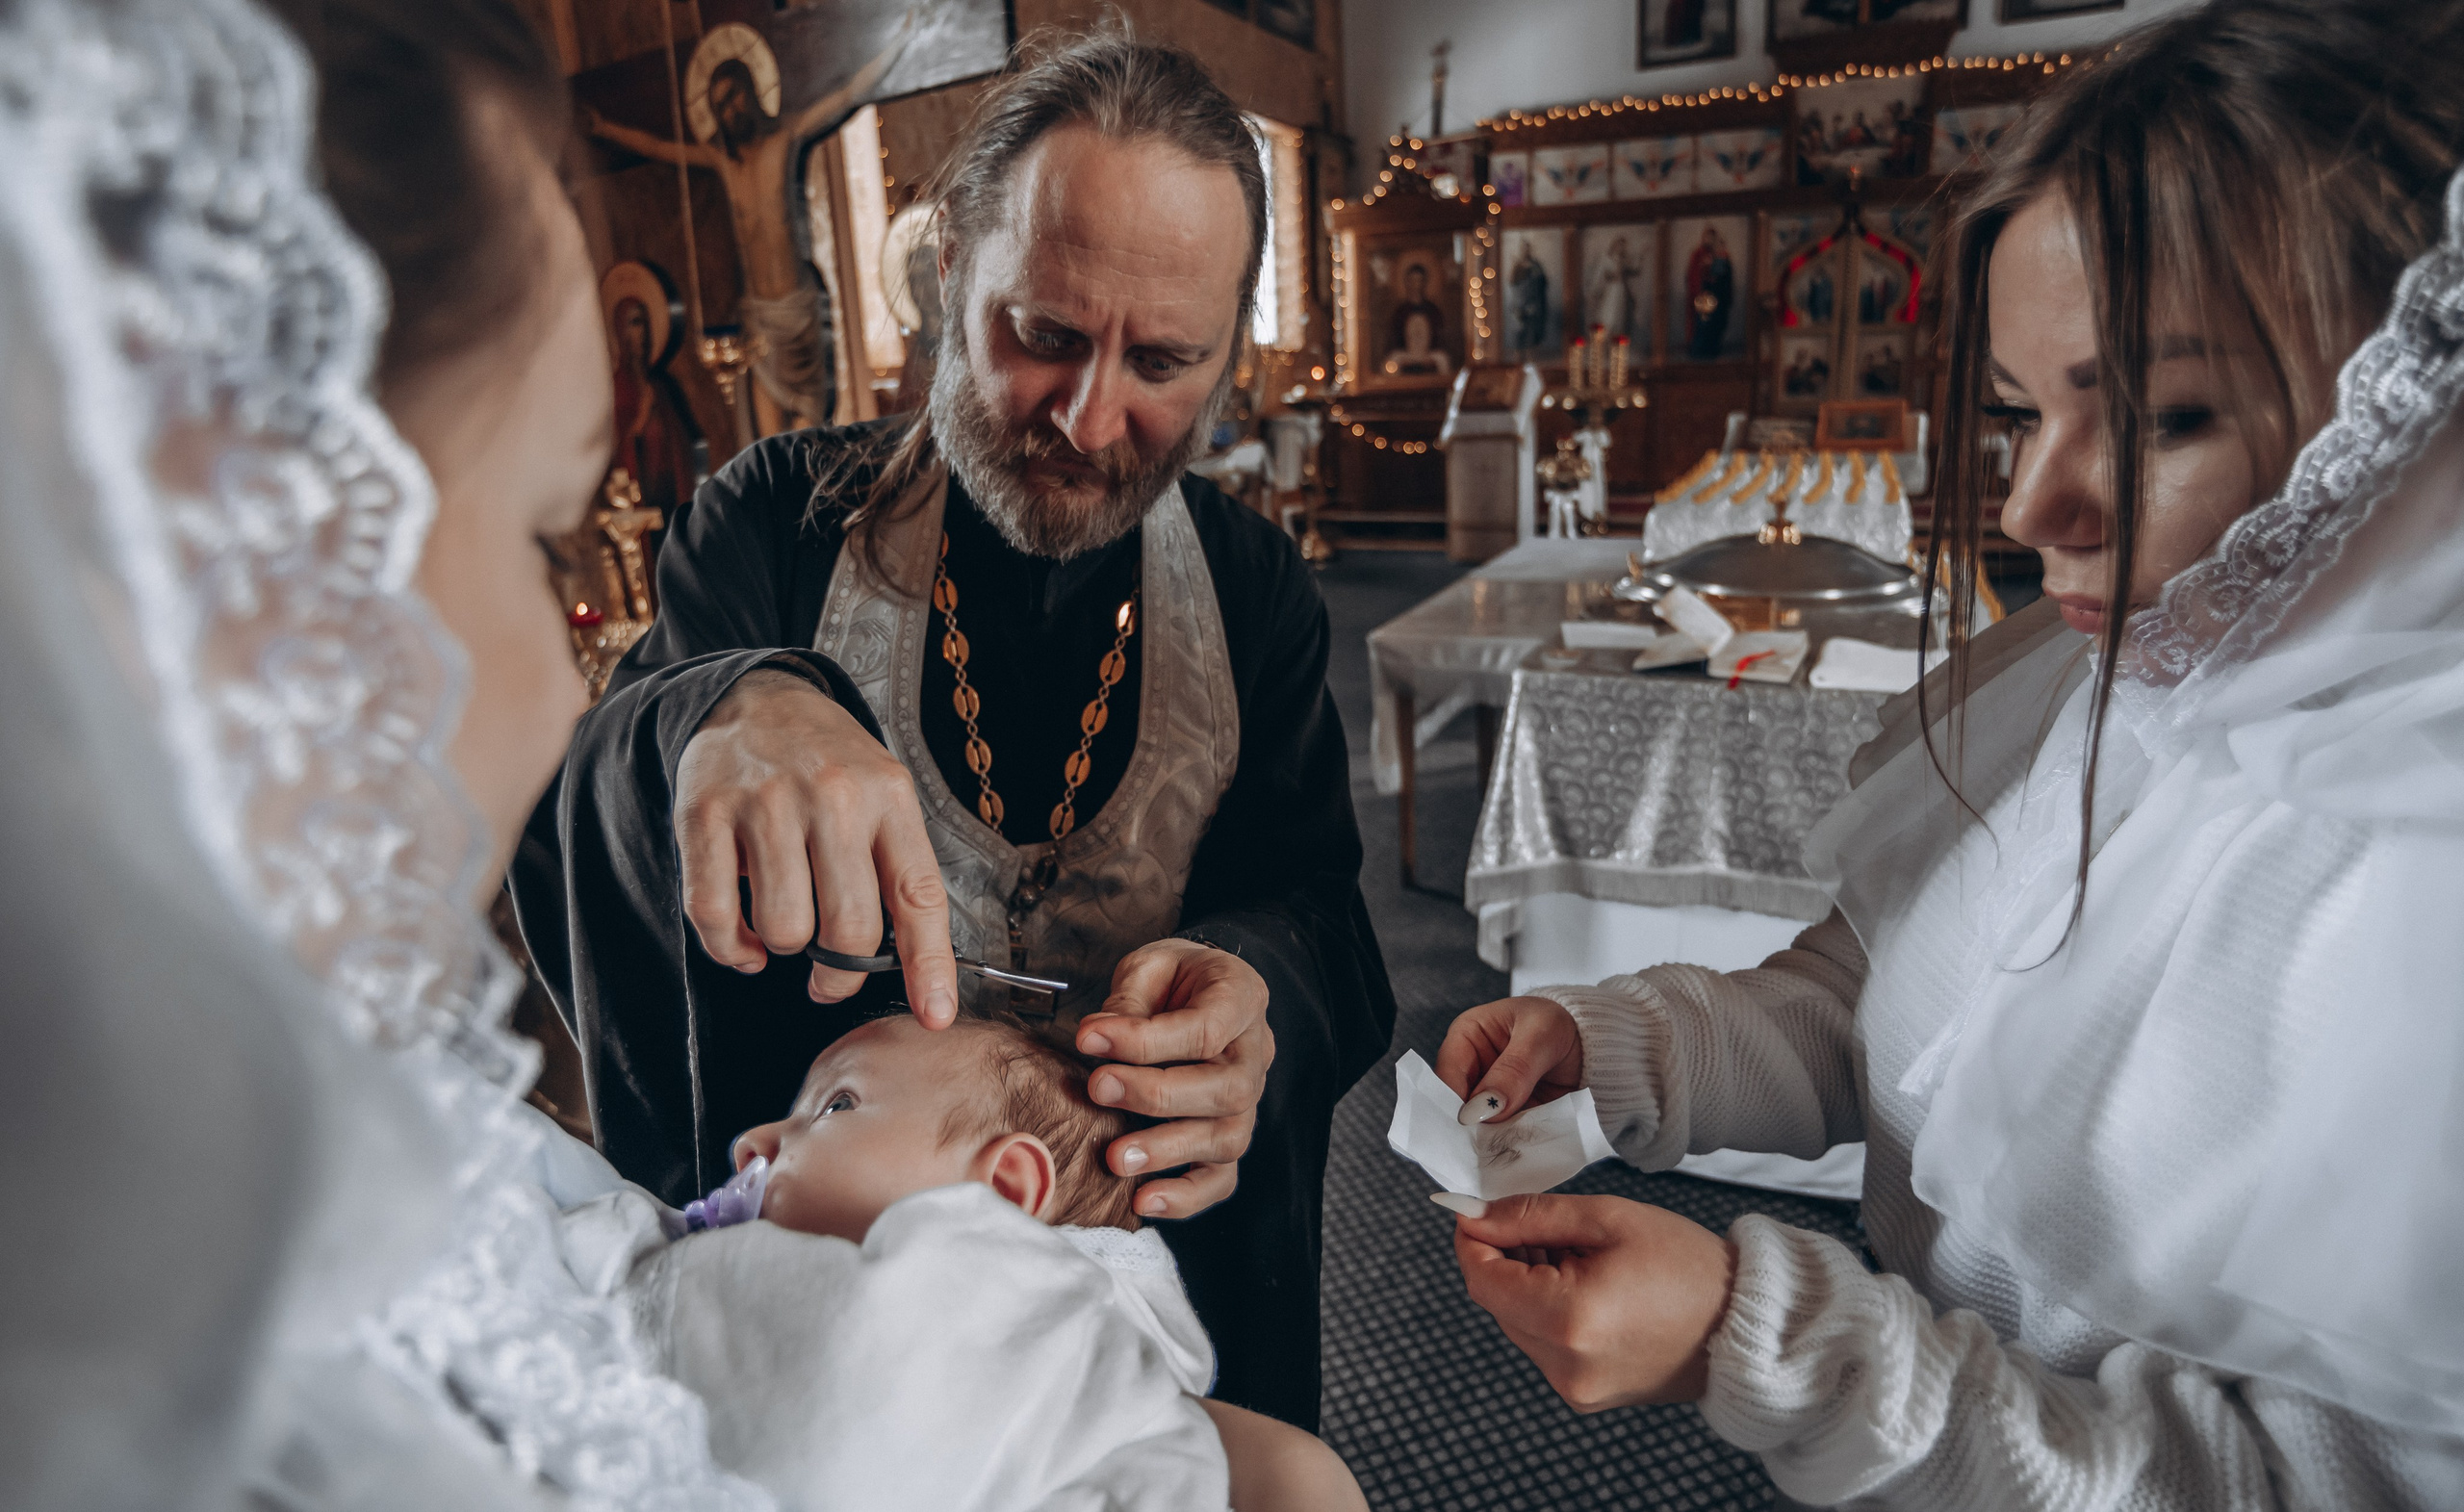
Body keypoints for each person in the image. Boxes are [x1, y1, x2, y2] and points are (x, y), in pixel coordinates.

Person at [1431, 3, 2464, 1506]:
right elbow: (1884, 1008)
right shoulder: (2105, 676)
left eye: (2163, 415)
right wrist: (1624, 1042)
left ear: (2417, 431)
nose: (2038, 507)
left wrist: (1774, 1335)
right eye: (2015, 415)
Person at [516, 31, 1397, 1430]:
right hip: (819, 1318)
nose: (1091, 416)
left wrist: (1253, 993)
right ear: (945, 279)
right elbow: (583, 808)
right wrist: (717, 707)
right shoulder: (772, 523)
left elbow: (1318, 909)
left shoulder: (1252, 589)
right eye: (1041, 333)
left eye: (1164, 358)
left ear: (1230, 347)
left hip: (1143, 1305)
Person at [540, 1009, 1369, 1509]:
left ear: (1004, 1189)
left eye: (835, 1104)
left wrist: (627, 1254)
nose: (753, 1140)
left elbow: (830, 1407)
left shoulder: (977, 1300)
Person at [581, 16, 918, 431]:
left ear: (753, 92)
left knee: (807, 439)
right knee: (766, 443)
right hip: (760, 323)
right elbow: (661, 148)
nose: (731, 109)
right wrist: (604, 128)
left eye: (735, 97)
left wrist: (901, 40)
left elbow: (846, 95)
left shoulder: (783, 141)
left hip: (798, 313)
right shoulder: (724, 164)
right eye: (721, 104)